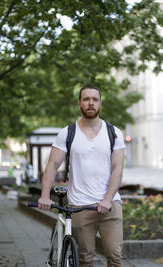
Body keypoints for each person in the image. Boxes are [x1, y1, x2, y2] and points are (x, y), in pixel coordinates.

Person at [38, 85, 126, 267]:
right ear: (80, 103)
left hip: (110, 205)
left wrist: (107, 199)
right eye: (86, 99)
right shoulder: (67, 133)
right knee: (85, 259)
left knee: (115, 257)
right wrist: (45, 196)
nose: (91, 103)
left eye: (95, 99)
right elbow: (52, 165)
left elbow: (117, 169)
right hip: (80, 206)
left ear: (100, 103)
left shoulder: (114, 133)